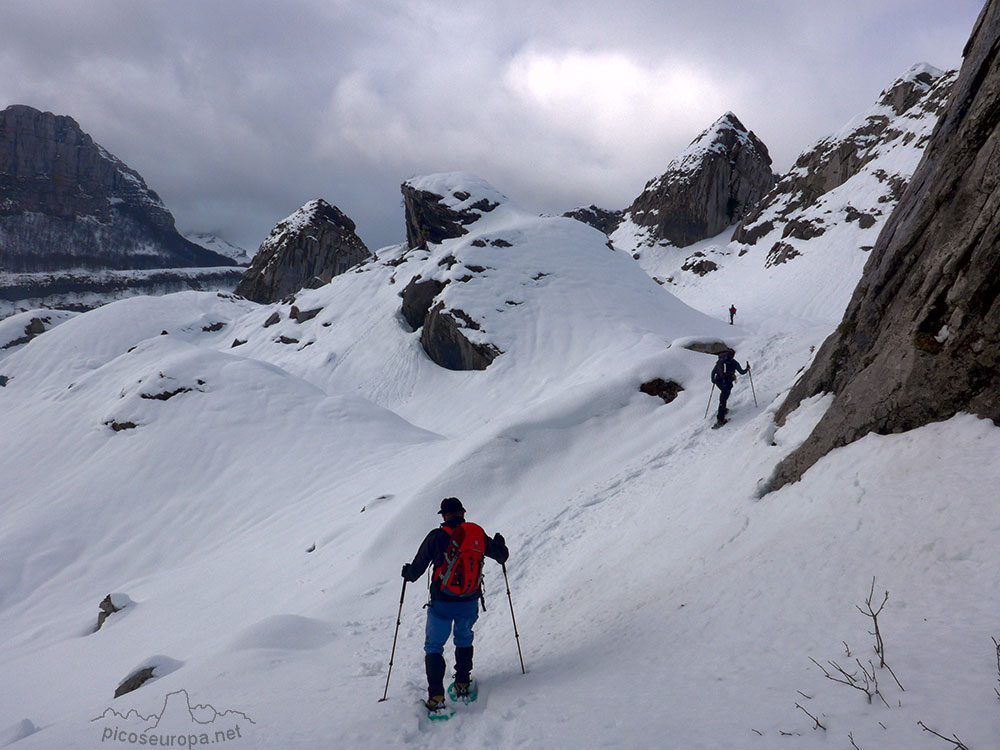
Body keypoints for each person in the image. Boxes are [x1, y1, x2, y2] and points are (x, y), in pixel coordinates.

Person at [401, 497, 509, 712]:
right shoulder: (476, 533)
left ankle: (436, 697)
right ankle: (462, 683)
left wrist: (407, 572)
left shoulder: (437, 537)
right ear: (463, 512)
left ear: (443, 515)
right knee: (463, 638)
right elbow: (502, 556)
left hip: (442, 600)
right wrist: (500, 543)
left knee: (434, 646)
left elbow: (416, 570)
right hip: (469, 600)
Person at [711, 348, 749, 426]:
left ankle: (723, 410)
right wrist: (747, 368)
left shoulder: (720, 360)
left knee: (723, 396)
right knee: (724, 398)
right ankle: (720, 419)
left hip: (719, 381)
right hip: (727, 383)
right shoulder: (734, 363)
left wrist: (713, 380)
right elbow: (742, 372)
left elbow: (713, 371)